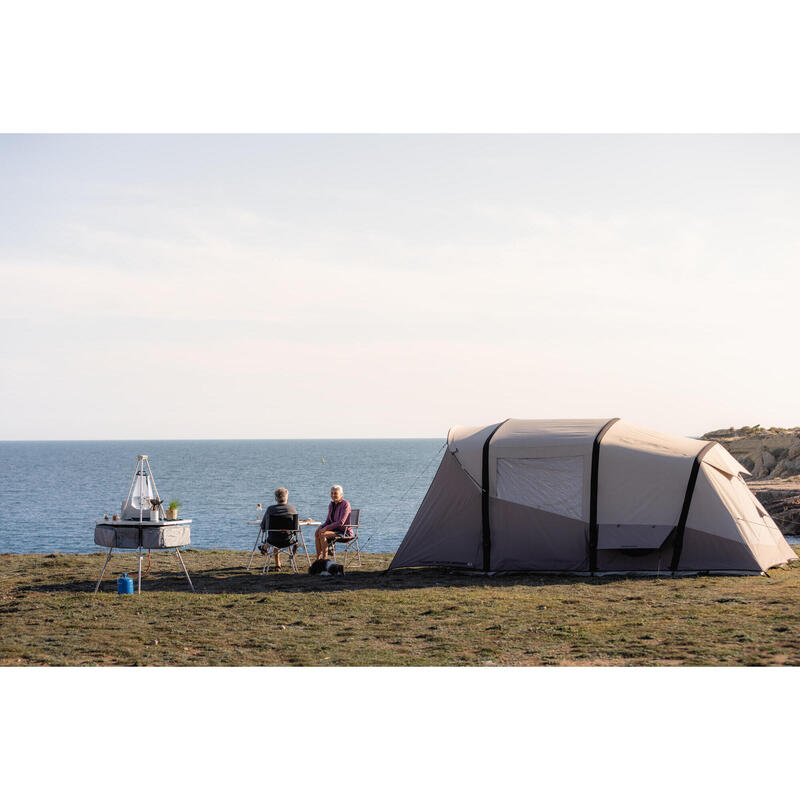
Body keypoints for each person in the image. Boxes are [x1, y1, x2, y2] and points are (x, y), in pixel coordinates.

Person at [259, 487, 299, 570]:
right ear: (287, 497)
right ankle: (277, 561)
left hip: (273, 540)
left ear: (275, 498)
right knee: (280, 533)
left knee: (275, 535)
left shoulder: (270, 509)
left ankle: (276, 562)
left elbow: (263, 526)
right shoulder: (292, 509)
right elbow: (296, 528)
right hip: (288, 540)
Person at [315, 485, 352, 560]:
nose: (333, 495)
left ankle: (324, 559)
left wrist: (326, 528)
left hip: (344, 532)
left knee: (323, 535)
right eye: (332, 493)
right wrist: (321, 527)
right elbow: (328, 521)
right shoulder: (331, 505)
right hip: (334, 530)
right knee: (317, 532)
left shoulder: (345, 504)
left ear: (341, 494)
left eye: (335, 493)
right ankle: (318, 559)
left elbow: (341, 522)